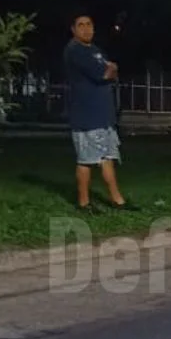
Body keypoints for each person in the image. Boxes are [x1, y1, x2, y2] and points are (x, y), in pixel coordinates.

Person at [63, 13, 138, 212]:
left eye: (89, 24)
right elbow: (104, 73)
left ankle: (117, 200)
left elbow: (112, 73)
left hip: (104, 115)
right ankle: (84, 202)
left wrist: (111, 71)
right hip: (86, 116)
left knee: (107, 158)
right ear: (73, 29)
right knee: (87, 160)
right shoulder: (75, 51)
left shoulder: (95, 50)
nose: (86, 28)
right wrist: (110, 70)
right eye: (81, 25)